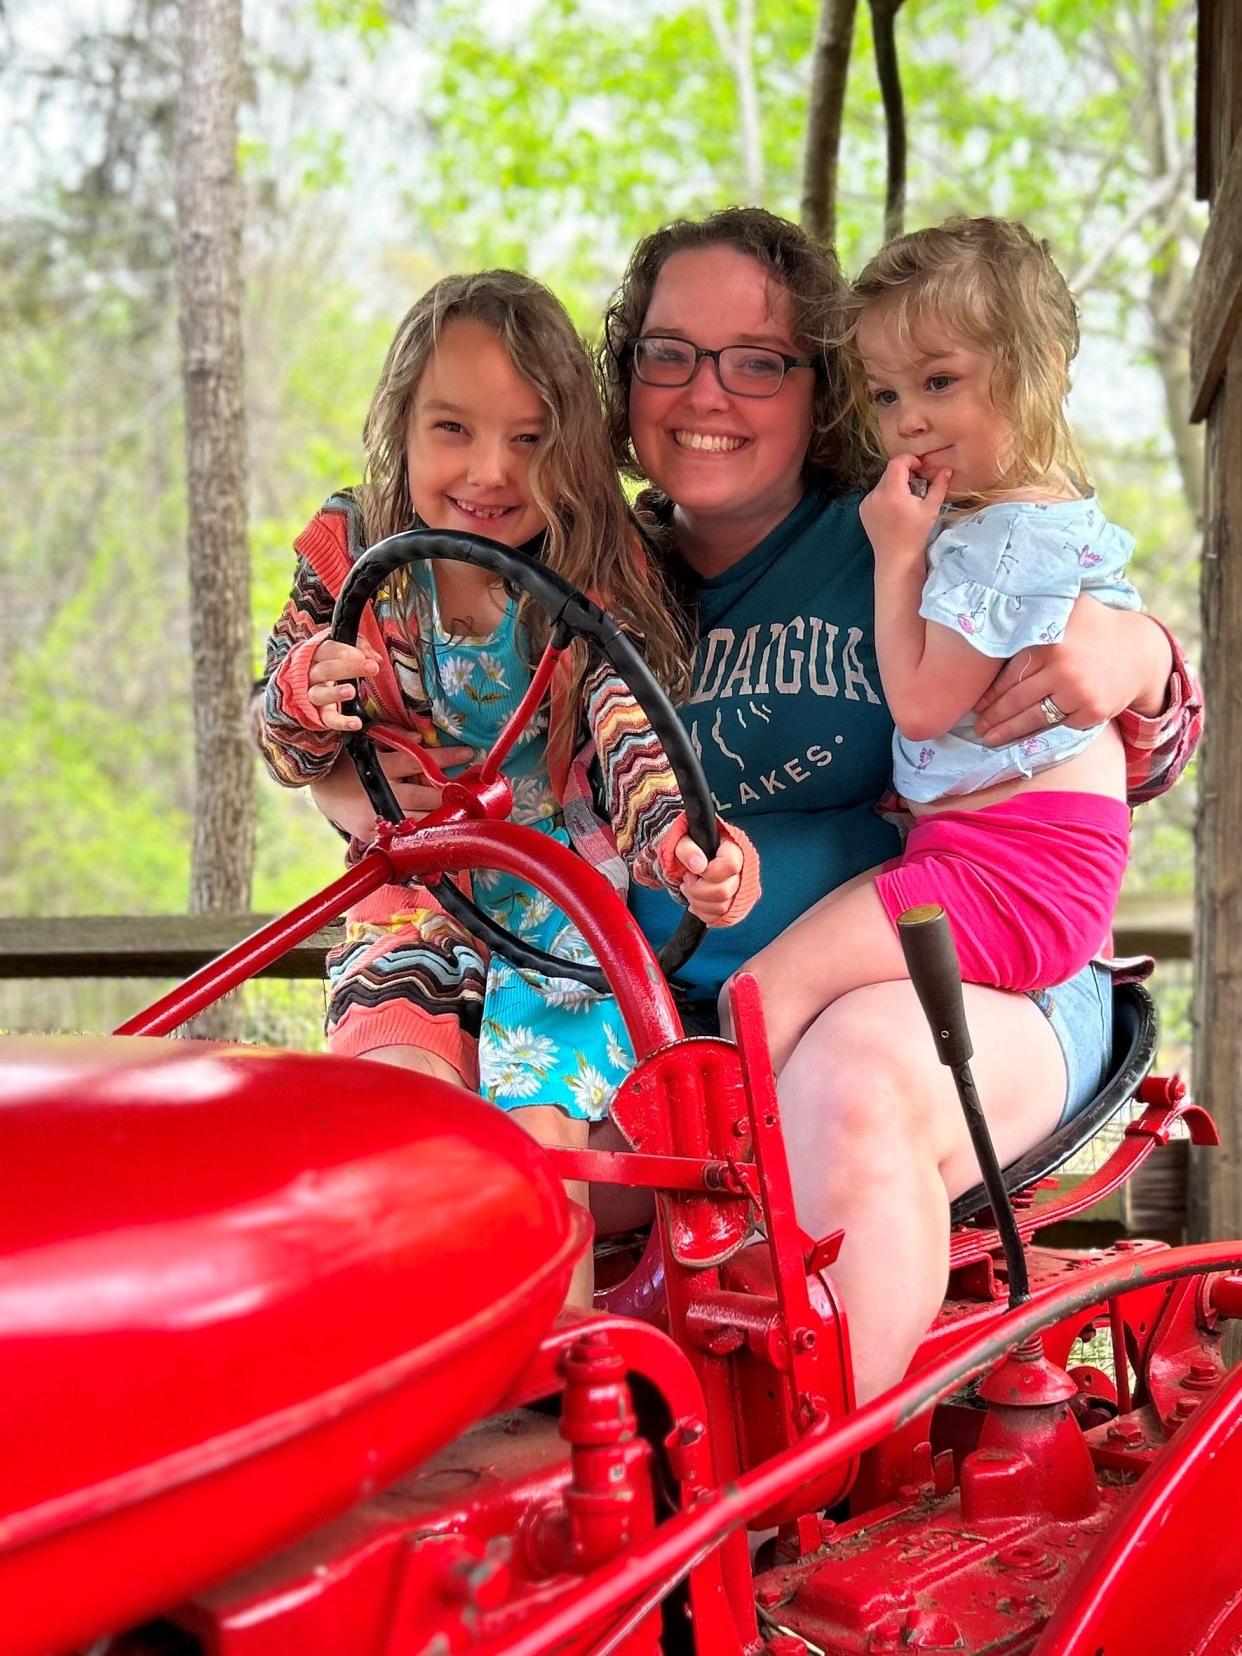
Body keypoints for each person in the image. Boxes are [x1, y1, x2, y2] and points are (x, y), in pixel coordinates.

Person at [596, 206, 1200, 1399]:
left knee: (851, 1082)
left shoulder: (912, 528)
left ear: (813, 385)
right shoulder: (593, 571)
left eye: (756, 361)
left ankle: (798, 1469)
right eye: (669, 352)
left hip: (970, 964)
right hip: (673, 1015)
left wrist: (1142, 658)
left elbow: (1135, 738)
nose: (708, 393)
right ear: (626, 379)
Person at [253, 270, 757, 1303]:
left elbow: (629, 738)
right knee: (401, 1116)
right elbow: (282, 740)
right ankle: (418, 1377)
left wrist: (677, 843)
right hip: (411, 893)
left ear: (569, 447)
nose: (490, 471)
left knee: (540, 1150)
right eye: (453, 429)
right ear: (400, 424)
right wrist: (302, 704)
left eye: (529, 440)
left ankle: (553, 1396)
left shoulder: (587, 566)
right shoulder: (352, 554)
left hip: (556, 905)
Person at [740, 217, 1140, 1076]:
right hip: (997, 857)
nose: (910, 419)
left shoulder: (1002, 544)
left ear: (1033, 373)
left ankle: (723, 1189)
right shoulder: (1019, 526)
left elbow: (923, 707)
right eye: (887, 396)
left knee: (769, 993)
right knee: (786, 991)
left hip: (1013, 866)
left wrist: (896, 554)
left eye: (940, 381)